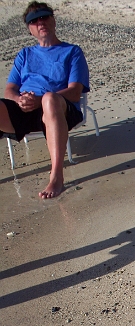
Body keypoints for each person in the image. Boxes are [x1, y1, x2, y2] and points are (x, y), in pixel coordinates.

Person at [0, 2, 90, 199]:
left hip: (59, 109)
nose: (40, 22)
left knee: (50, 98)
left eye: (44, 17)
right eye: (34, 21)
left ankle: (56, 176)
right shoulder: (24, 55)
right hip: (26, 109)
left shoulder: (72, 52)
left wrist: (40, 99)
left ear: (53, 20)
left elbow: (75, 92)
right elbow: (9, 90)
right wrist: (19, 100)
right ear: (29, 29)